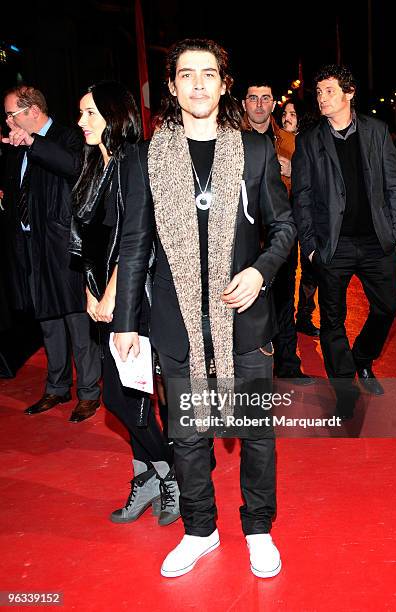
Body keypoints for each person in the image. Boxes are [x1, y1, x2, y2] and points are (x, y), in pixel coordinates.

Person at [113, 39, 296, 579]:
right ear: (171, 87)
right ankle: (200, 530)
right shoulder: (152, 156)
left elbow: (283, 227)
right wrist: (125, 320)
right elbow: (134, 242)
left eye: (208, 74)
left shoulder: (256, 151)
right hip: (177, 323)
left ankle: (259, 529)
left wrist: (260, 270)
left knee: (257, 434)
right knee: (188, 439)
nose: (197, 83)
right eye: (186, 74)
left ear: (223, 84)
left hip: (244, 321)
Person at [70, 81, 180, 526]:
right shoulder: (92, 167)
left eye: (90, 113)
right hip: (102, 301)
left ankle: (170, 472)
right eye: (80, 113)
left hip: (135, 301)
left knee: (121, 399)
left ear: (115, 115)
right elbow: (84, 244)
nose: (81, 122)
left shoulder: (136, 160)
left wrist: (114, 294)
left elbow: (140, 239)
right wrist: (90, 293)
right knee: (129, 399)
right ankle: (151, 475)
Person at [292, 64, 396, 417]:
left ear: (349, 93)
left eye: (329, 90)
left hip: (376, 242)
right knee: (332, 321)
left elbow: (393, 185)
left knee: (388, 306)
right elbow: (303, 196)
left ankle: (363, 359)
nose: (322, 98)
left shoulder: (376, 131)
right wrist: (310, 245)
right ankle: (344, 388)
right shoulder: (310, 140)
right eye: (319, 91)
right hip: (332, 244)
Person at [2, 85, 101, 421]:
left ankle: (89, 392)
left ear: (32, 111)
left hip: (63, 247)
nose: (7, 121)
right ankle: (57, 387)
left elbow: (74, 167)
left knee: (77, 320)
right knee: (47, 321)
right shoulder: (17, 147)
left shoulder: (69, 136)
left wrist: (34, 144)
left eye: (11, 114)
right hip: (32, 246)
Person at [242, 82, 314, 383]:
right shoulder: (230, 139)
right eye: (253, 98)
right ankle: (244, 368)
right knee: (244, 301)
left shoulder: (290, 141)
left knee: (283, 299)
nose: (259, 105)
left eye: (265, 99)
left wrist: (291, 172)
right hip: (242, 233)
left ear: (274, 105)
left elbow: (311, 186)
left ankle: (287, 364)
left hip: (280, 232)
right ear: (244, 104)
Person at [279, 99, 320, 338]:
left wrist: (294, 171)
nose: (287, 117)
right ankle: (283, 319)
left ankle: (304, 317)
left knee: (310, 269)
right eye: (284, 113)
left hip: (306, 215)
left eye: (293, 113)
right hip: (282, 215)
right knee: (285, 269)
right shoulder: (274, 140)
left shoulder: (309, 142)